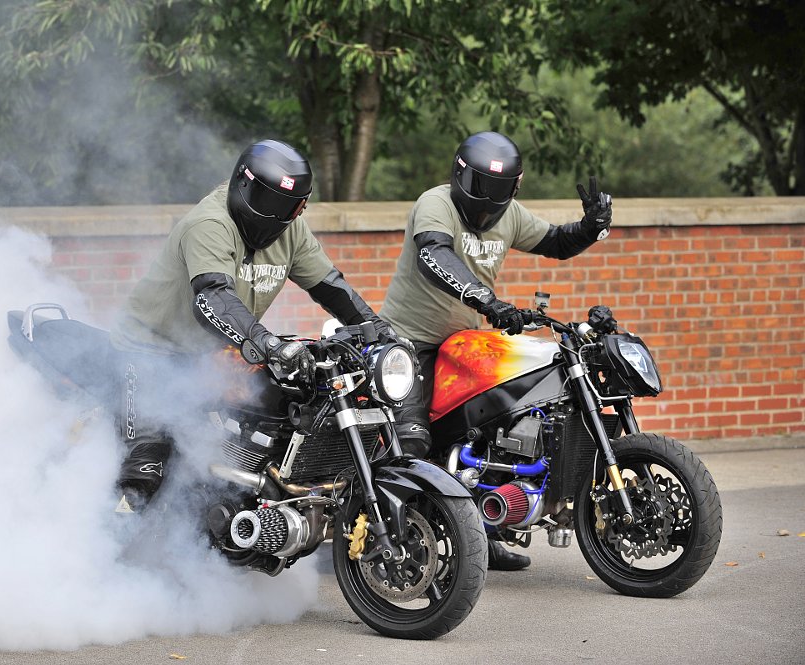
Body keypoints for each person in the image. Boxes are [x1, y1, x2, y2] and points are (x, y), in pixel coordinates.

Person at [109, 139, 396, 511]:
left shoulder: (291, 230)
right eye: (271, 202)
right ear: (242, 186)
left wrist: (377, 328)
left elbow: (330, 286)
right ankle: (104, 552)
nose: (279, 215)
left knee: (276, 419)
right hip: (150, 350)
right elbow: (211, 297)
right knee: (147, 468)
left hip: (212, 354)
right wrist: (269, 344)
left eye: (291, 206)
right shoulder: (210, 224)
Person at [379, 131, 613, 569]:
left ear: (515, 187)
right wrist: (487, 301)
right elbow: (435, 256)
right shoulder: (435, 205)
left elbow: (557, 243)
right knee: (411, 443)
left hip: (466, 346)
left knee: (494, 440)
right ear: (459, 177)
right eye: (482, 187)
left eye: (500, 190)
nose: (489, 200)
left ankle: (484, 535)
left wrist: (592, 228)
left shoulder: (511, 216)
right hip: (408, 343)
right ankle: (399, 546)